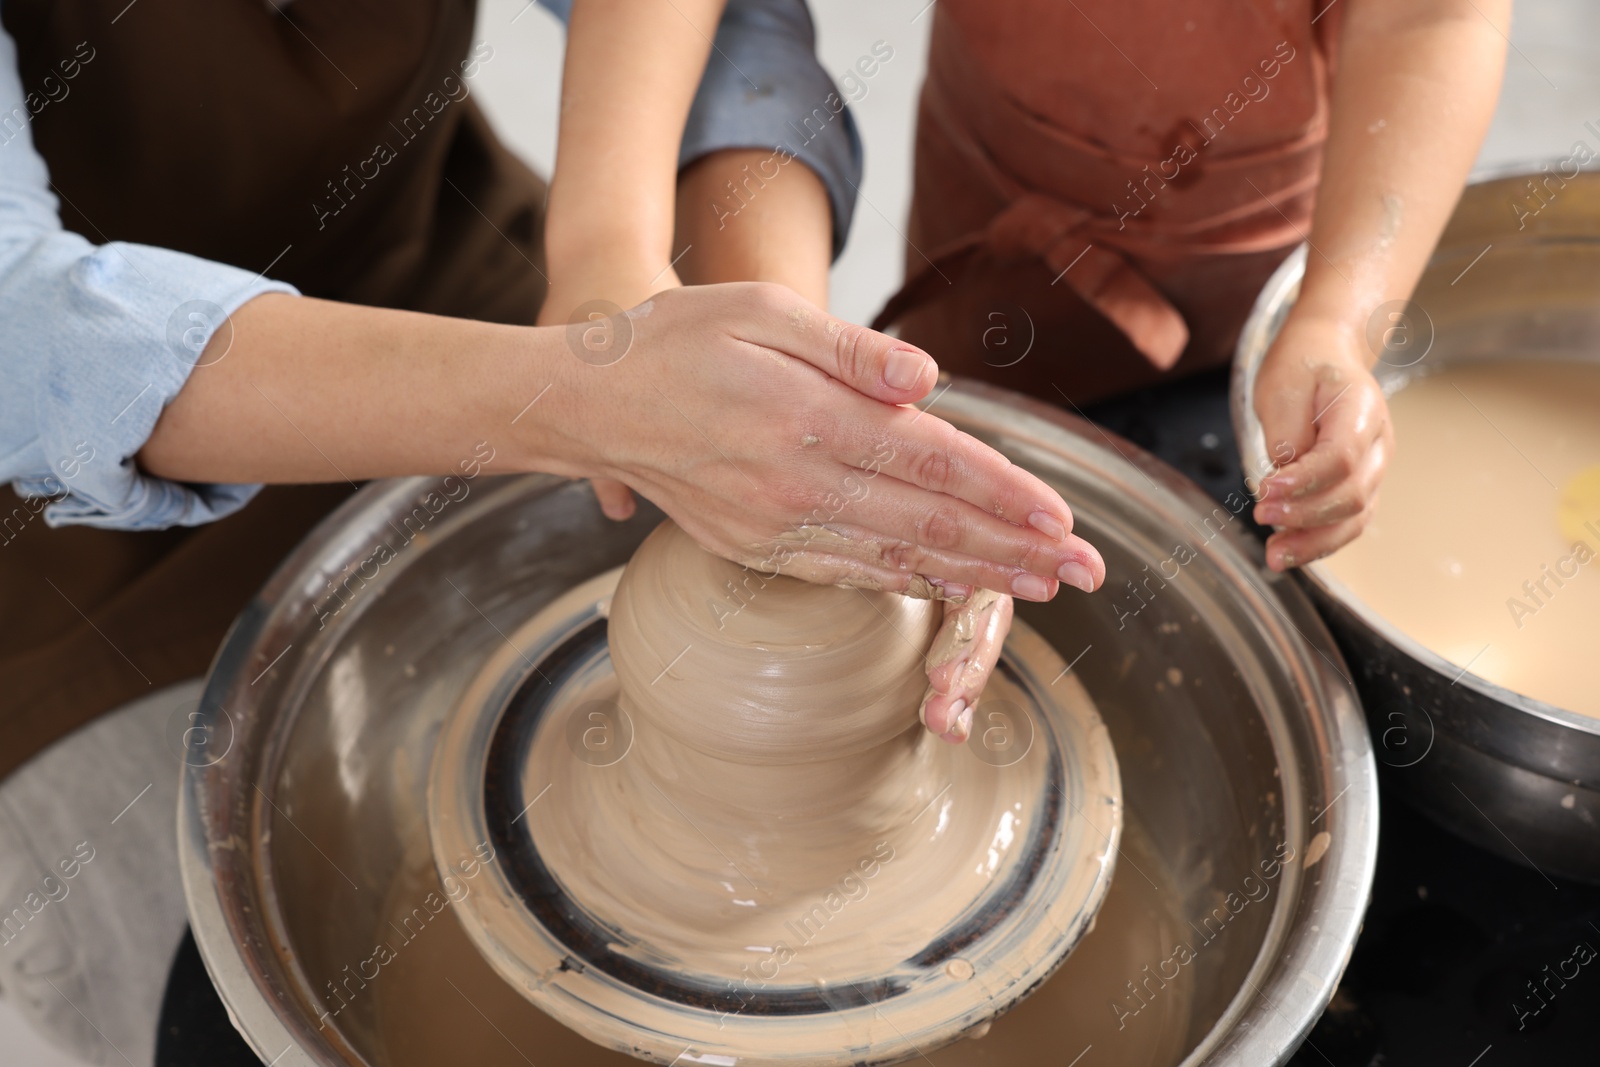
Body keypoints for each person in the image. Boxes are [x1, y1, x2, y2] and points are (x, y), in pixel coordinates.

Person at [0, 2, 1102, 1063]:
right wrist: (581, 399)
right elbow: (21, 323)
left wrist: (760, 371)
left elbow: (731, 24)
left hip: (452, 291)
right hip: (61, 531)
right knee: (180, 928)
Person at [872, 0, 1510, 572]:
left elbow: (1430, 15)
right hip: (990, 201)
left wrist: (1334, 324)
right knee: (950, 459)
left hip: (1241, 254)